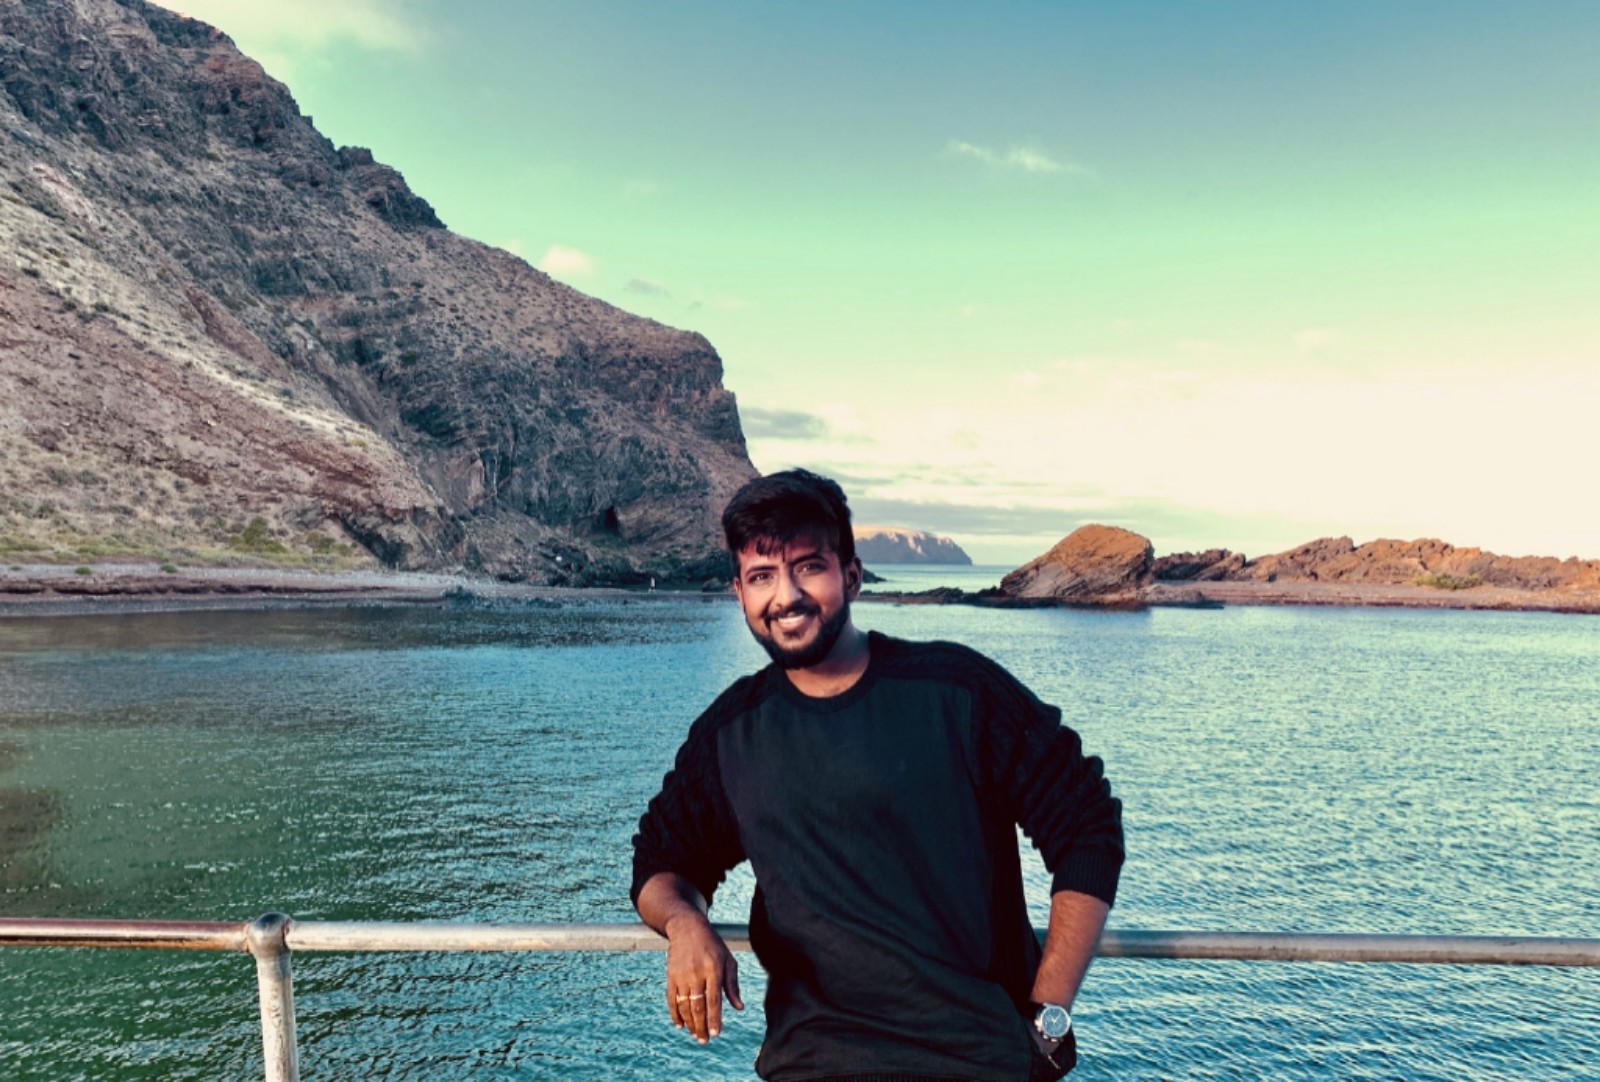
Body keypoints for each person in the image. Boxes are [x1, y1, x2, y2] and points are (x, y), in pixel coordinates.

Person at [631, 469, 1123, 1081]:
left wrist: (1048, 1016)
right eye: (762, 576)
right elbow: (660, 861)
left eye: (809, 567)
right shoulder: (731, 732)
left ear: (851, 575)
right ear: (739, 592)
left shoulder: (957, 692)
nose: (786, 596)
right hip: (810, 1066)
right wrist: (685, 923)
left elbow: (1087, 825)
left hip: (974, 1063)